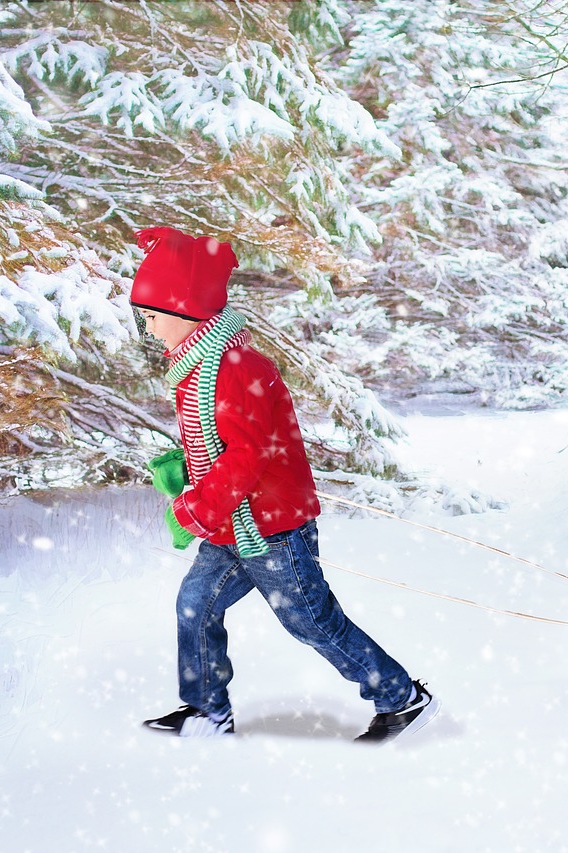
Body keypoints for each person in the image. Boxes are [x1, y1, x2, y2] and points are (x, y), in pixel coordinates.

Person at [130, 225, 437, 742]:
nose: (151, 329)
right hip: (233, 526)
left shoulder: (237, 367)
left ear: (185, 312)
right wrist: (185, 470)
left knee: (311, 622)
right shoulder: (198, 368)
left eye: (154, 317)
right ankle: (207, 711)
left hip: (271, 526)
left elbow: (248, 456)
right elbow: (222, 447)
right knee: (195, 604)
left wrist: (197, 507)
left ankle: (401, 698)